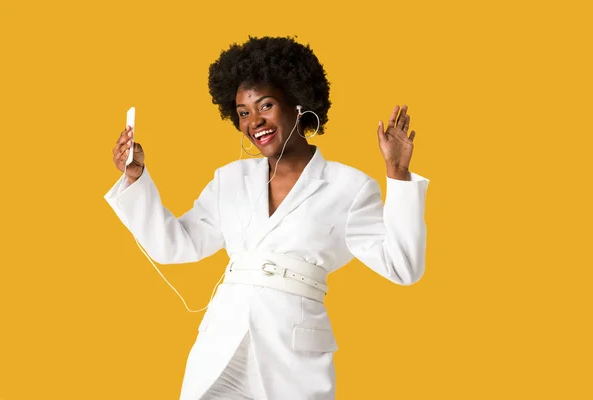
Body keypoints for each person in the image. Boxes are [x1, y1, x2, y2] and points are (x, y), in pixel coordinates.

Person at [105, 36, 429, 400]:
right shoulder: (229, 179)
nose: (254, 121)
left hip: (293, 357)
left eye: (266, 105)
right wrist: (135, 178)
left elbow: (403, 267)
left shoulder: (349, 186)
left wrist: (398, 176)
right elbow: (175, 245)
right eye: (243, 112)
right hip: (222, 345)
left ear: (298, 103)